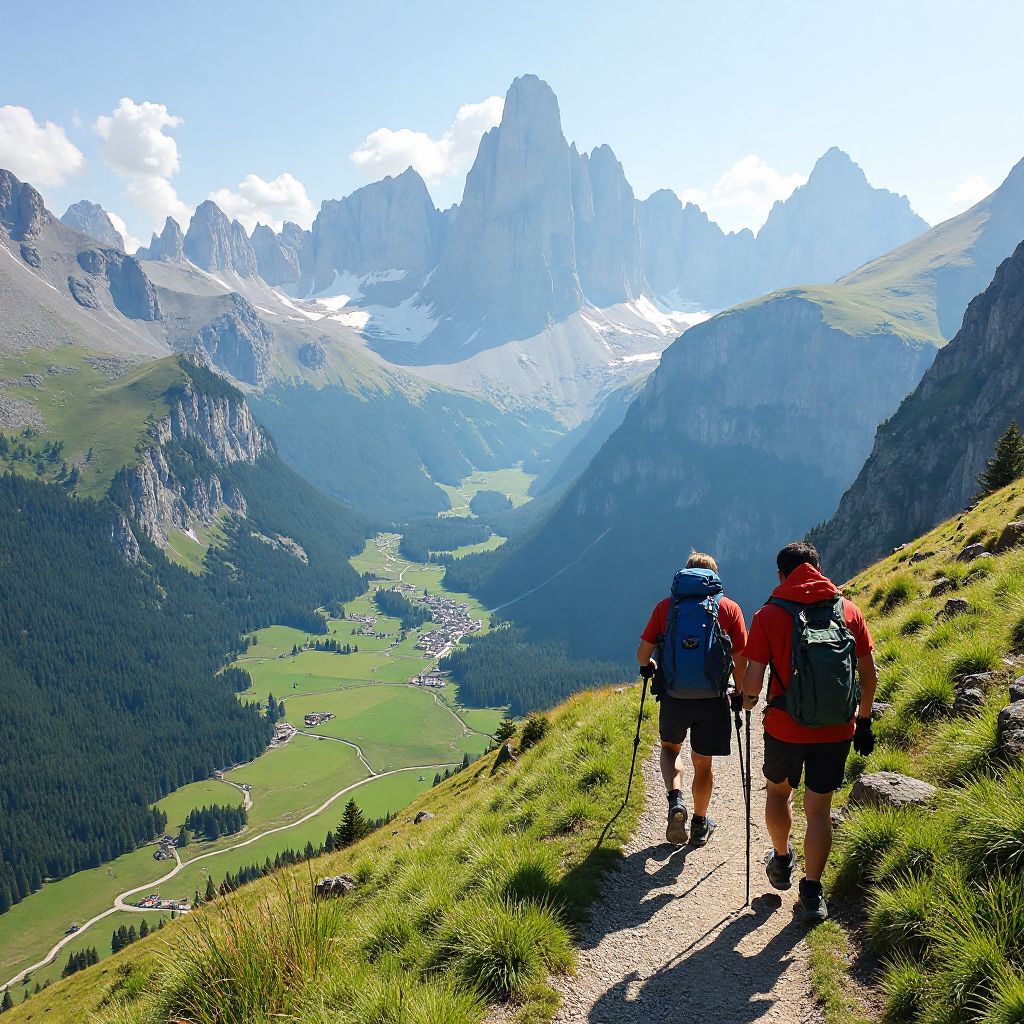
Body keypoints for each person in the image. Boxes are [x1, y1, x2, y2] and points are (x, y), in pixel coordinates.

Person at [738, 541, 878, 924]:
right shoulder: (848, 610)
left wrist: (747, 702)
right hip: (836, 729)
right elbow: (869, 675)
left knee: (778, 792)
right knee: (818, 809)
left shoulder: (768, 615)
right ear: (818, 568)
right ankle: (813, 894)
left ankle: (782, 859)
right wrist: (864, 721)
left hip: (785, 729)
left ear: (781, 574)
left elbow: (753, 682)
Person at [637, 551, 748, 847]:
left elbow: (642, 654)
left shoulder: (666, 607)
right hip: (712, 698)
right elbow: (741, 658)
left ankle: (676, 800)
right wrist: (738, 691)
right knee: (703, 763)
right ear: (714, 577)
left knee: (670, 749)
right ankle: (699, 824)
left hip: (674, 696)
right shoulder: (729, 608)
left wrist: (651, 665)